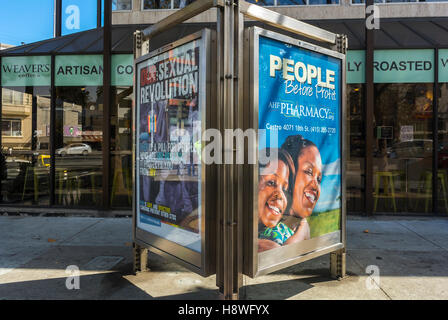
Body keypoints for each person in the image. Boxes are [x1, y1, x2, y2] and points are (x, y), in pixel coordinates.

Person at [257, 148, 311, 252]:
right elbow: (278, 253)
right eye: (271, 183)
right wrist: (301, 232)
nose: (281, 195)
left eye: (284, 189)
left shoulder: (279, 230)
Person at [281, 135, 323, 239]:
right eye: (309, 172)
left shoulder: (299, 227)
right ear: (289, 173)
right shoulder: (271, 236)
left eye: (319, 179)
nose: (315, 186)